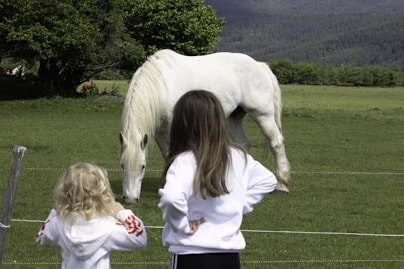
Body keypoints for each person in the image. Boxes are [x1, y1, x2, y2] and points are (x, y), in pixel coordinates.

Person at [158, 90, 278, 269]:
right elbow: (267, 180)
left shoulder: (185, 161)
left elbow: (171, 197)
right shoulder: (238, 156)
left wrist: (182, 226)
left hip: (191, 255)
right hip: (229, 257)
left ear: (182, 124)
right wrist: (239, 206)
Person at [37, 162, 147, 269]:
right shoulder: (109, 226)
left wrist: (57, 212)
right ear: (102, 193)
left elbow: (42, 236)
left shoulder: (59, 223)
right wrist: (122, 212)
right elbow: (139, 237)